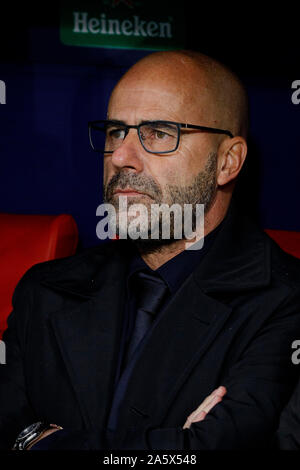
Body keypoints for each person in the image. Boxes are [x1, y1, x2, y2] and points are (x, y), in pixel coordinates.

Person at [1, 49, 300, 451]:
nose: (121, 157)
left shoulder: (286, 300)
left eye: (159, 132)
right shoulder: (45, 289)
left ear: (228, 162)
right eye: (115, 132)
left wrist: (43, 444)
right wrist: (173, 446)